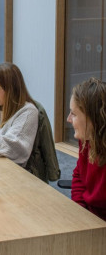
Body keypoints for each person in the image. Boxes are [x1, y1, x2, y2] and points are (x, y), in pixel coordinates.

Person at [67, 78, 106, 221]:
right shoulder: (86, 140)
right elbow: (79, 175)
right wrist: (79, 209)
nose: (68, 119)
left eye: (74, 114)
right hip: (88, 217)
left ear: (92, 118)